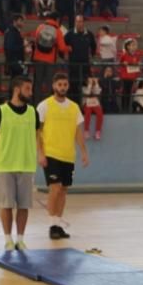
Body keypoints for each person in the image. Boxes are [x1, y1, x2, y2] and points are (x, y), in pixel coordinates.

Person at [0, 76, 45, 251]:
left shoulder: (33, 112)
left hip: (27, 165)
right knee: (6, 205)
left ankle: (20, 239)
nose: (30, 92)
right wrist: (4, 153)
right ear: (17, 89)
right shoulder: (0, 112)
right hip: (5, 165)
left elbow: (37, 135)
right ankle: (8, 240)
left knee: (24, 205)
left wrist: (39, 154)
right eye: (27, 88)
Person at [37, 72, 89, 240]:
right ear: (54, 86)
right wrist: (41, 153)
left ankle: (58, 225)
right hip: (51, 154)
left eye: (65, 85)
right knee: (55, 188)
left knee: (64, 190)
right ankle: (52, 225)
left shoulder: (74, 107)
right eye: (59, 85)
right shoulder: (44, 106)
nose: (62, 88)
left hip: (68, 155)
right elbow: (37, 132)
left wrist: (84, 152)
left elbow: (79, 132)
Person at [82, 74, 103, 140]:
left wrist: (96, 83)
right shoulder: (84, 87)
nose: (91, 81)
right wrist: (90, 84)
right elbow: (87, 93)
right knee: (87, 113)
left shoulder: (97, 86)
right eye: (89, 80)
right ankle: (86, 131)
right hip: (87, 103)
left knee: (100, 113)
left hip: (95, 103)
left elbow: (98, 92)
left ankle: (98, 131)